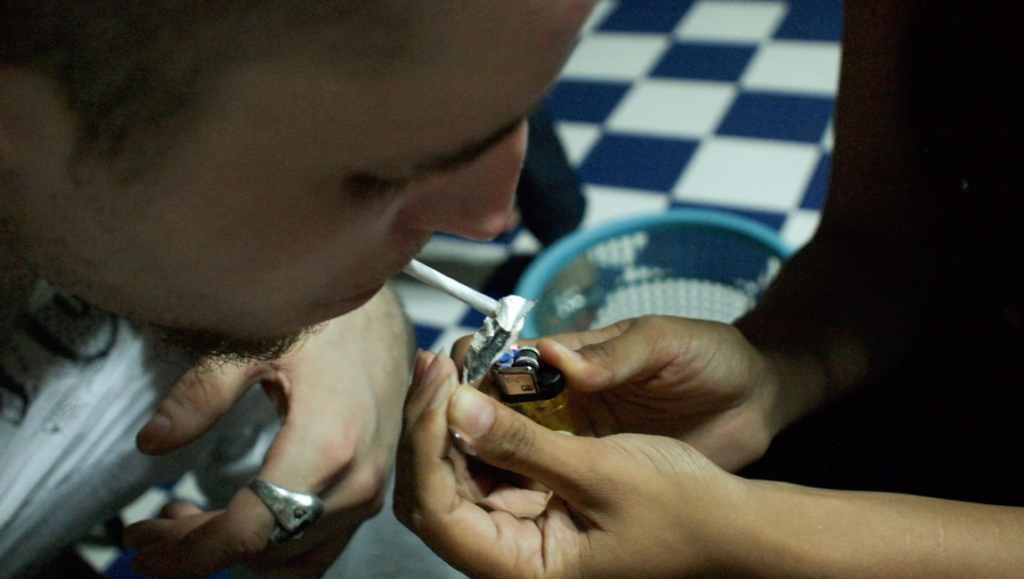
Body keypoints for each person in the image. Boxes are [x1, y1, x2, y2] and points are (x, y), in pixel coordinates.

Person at [395, 1, 1024, 577]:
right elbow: (876, 248)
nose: (487, 219)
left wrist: (746, 532)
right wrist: (771, 380)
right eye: (369, 178)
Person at [0, 1, 599, 577]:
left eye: (522, 105)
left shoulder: (169, 272)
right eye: (378, 175)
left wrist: (352, 320)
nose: (490, 220)